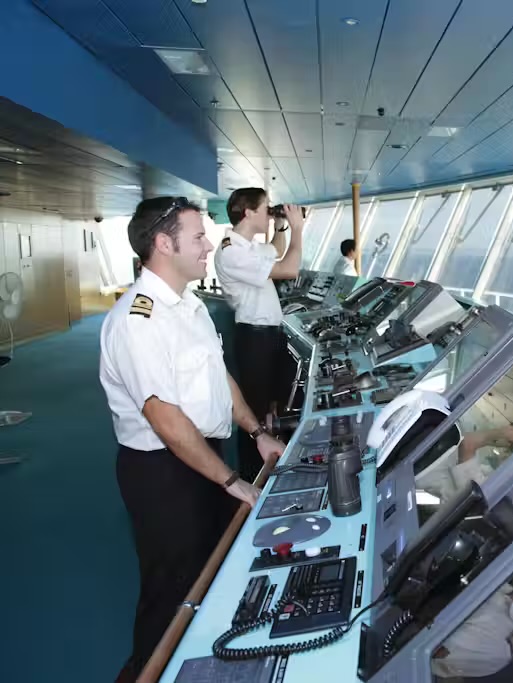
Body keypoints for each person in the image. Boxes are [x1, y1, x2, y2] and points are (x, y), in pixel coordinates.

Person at [99, 197, 286, 682]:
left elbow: (217, 378)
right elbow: (165, 419)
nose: (209, 245)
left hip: (203, 456)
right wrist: (230, 480)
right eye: (198, 236)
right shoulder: (137, 320)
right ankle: (143, 672)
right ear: (164, 243)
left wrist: (258, 434)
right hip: (162, 471)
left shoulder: (189, 305)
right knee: (172, 589)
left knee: (214, 571)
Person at [215, 188, 304, 482]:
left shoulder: (248, 246)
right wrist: (298, 231)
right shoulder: (232, 252)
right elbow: (289, 268)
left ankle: (272, 467)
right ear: (249, 212)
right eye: (266, 209)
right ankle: (253, 478)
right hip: (254, 338)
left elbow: (275, 251)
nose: (269, 213)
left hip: (268, 335)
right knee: (254, 410)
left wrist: (280, 226)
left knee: (273, 408)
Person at [415, 424, 513, 501]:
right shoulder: (489, 475)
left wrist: (501, 432)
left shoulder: (483, 487)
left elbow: (468, 444)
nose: (507, 454)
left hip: (424, 465)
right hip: (431, 460)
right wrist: (493, 441)